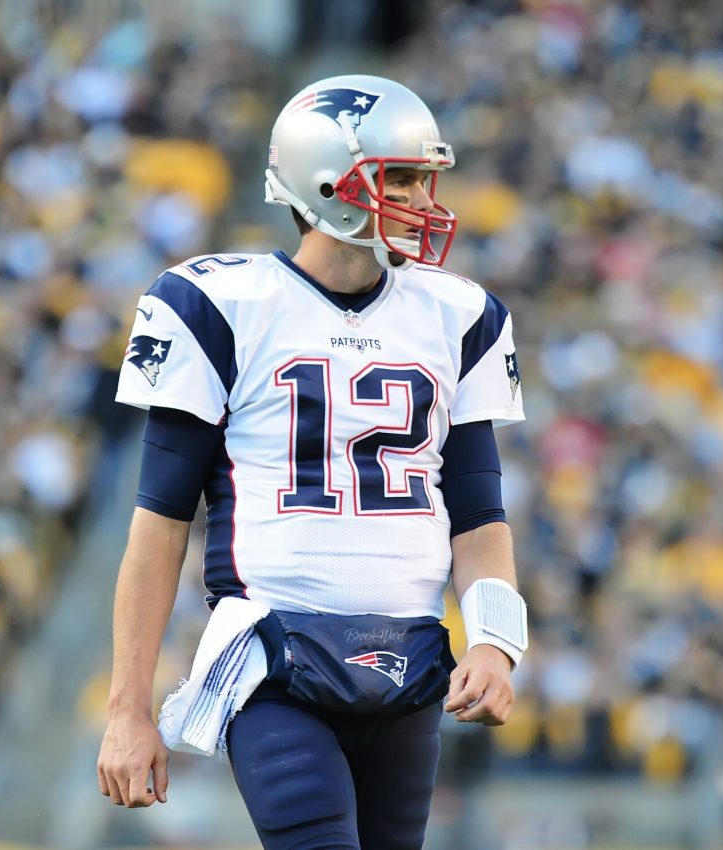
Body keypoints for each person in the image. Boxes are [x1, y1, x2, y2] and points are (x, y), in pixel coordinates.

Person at [96, 74, 529, 850]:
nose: (425, 200)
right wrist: (128, 707)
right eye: (401, 177)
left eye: (425, 179)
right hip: (270, 648)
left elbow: (479, 510)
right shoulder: (218, 304)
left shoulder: (459, 315)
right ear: (328, 182)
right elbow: (159, 522)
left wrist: (496, 641)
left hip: (413, 655)